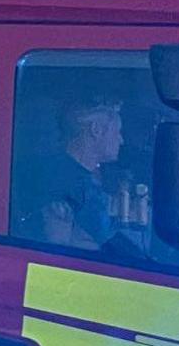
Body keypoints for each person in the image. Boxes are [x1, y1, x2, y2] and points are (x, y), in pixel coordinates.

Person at [27, 95, 126, 250]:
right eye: (117, 132)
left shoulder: (73, 174)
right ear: (96, 130)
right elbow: (104, 245)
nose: (121, 140)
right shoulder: (67, 182)